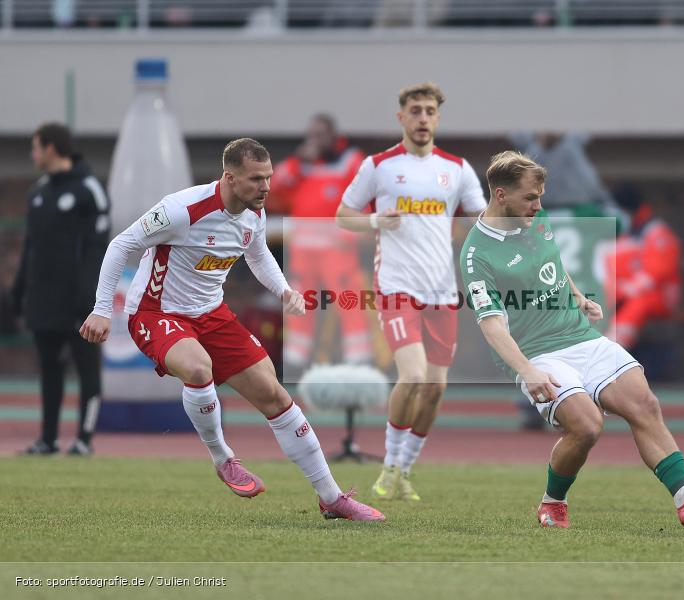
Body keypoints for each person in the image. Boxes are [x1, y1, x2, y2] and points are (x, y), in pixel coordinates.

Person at [79, 138, 384, 522]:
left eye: (269, 177)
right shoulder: (181, 209)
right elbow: (120, 245)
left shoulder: (253, 214)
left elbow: (259, 256)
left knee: (274, 394)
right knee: (198, 367)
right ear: (229, 177)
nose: (267, 187)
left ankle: (332, 498)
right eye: (256, 179)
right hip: (156, 312)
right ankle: (224, 459)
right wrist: (102, 309)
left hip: (212, 314)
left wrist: (285, 290)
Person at [460, 151, 684, 529]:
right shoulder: (477, 254)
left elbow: (553, 263)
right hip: (537, 354)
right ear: (500, 195)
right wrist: (528, 372)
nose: (539, 205)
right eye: (530, 197)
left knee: (644, 403)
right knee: (587, 425)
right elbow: (492, 326)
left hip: (579, 337)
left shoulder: (533, 217)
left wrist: (575, 295)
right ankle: (552, 502)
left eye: (540, 196)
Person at [336, 82, 487, 501]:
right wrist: (373, 222)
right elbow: (343, 215)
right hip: (396, 286)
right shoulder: (380, 165)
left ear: (438, 118)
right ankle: (388, 465)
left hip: (442, 289)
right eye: (415, 111)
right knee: (414, 376)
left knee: (436, 388)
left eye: (430, 111)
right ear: (401, 117)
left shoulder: (456, 168)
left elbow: (479, 219)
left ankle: (403, 469)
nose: (423, 118)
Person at [11, 123, 109, 456]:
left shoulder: (89, 190)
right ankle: (48, 439)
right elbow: (30, 248)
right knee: (49, 369)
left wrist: (90, 296)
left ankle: (84, 439)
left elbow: (99, 248)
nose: (32, 154)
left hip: (79, 303)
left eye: (35, 147)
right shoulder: (38, 192)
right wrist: (20, 291)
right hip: (44, 301)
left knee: (87, 370)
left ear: (51, 148)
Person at [268, 114, 372, 374]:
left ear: (332, 136)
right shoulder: (300, 165)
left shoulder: (351, 160)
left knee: (349, 300)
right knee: (299, 304)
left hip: (338, 249)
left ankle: (359, 360)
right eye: (311, 134)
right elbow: (274, 191)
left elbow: (365, 194)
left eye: (320, 134)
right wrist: (297, 162)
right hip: (303, 251)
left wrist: (357, 231)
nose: (315, 140)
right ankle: (295, 361)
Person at [606, 183, 682, 350]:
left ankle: (615, 347)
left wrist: (626, 290)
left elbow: (656, 273)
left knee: (639, 302)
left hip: (659, 295)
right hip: (627, 293)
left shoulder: (655, 232)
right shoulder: (627, 233)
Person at [508, 131, 615, 209]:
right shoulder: (531, 146)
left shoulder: (572, 144)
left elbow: (594, 191)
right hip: (539, 209)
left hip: (577, 207)